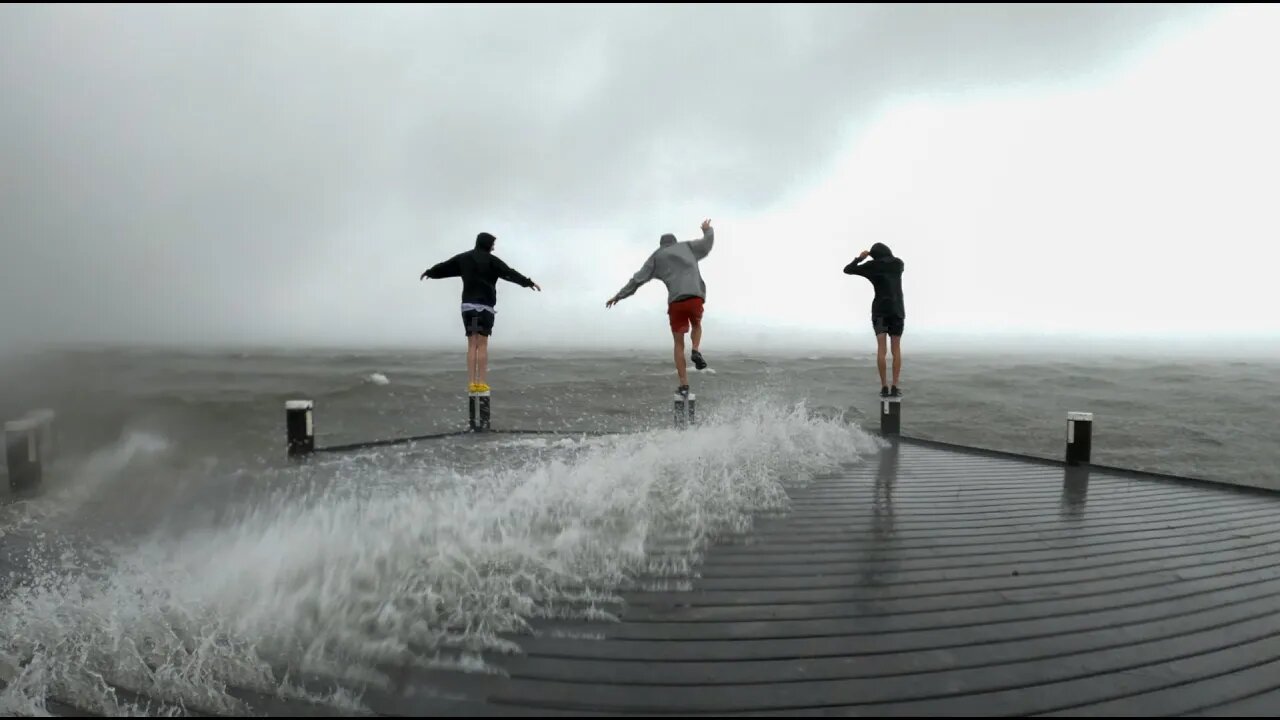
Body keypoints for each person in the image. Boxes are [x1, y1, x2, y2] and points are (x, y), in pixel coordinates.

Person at [420, 232, 541, 393]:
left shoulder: (463, 258)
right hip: (485, 308)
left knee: (472, 345)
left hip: (468, 307)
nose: (494, 247)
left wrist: (430, 272)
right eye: (493, 244)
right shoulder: (493, 261)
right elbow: (510, 273)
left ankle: (471, 383)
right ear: (487, 244)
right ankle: (481, 383)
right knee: (482, 345)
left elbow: (445, 267)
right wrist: (528, 283)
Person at [606, 219, 715, 397]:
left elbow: (637, 280)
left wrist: (618, 296)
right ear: (674, 241)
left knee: (678, 344)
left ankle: (684, 385)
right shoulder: (687, 247)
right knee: (696, 325)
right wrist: (707, 230)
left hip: (676, 302)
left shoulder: (656, 257)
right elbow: (706, 245)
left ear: (661, 244)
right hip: (695, 297)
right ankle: (696, 349)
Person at [844, 242, 905, 398]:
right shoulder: (898, 264)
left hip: (880, 312)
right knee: (896, 349)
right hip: (897, 310)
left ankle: (884, 386)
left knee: (881, 349)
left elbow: (848, 270)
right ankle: (895, 386)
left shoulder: (872, 266)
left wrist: (860, 258)